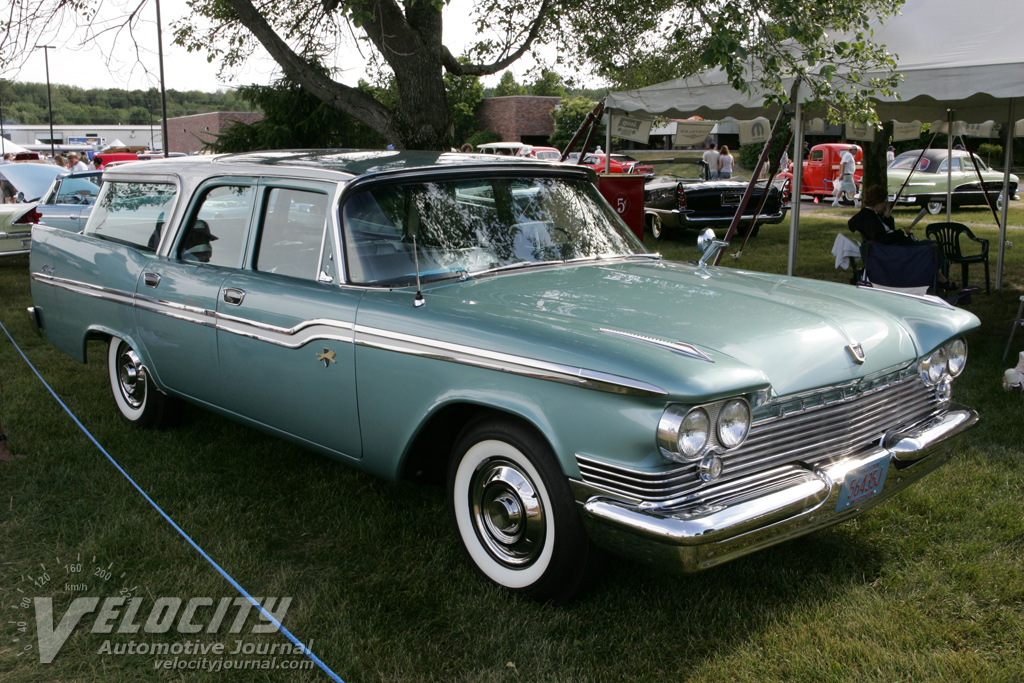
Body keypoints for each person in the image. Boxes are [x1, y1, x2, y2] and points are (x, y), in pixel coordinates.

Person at [849, 184, 956, 290]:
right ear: (879, 202)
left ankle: (939, 277)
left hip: (892, 248)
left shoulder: (872, 215)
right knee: (934, 246)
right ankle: (940, 278)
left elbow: (887, 232)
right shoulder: (869, 218)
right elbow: (882, 239)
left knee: (933, 245)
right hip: (893, 252)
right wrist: (901, 232)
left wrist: (887, 216)